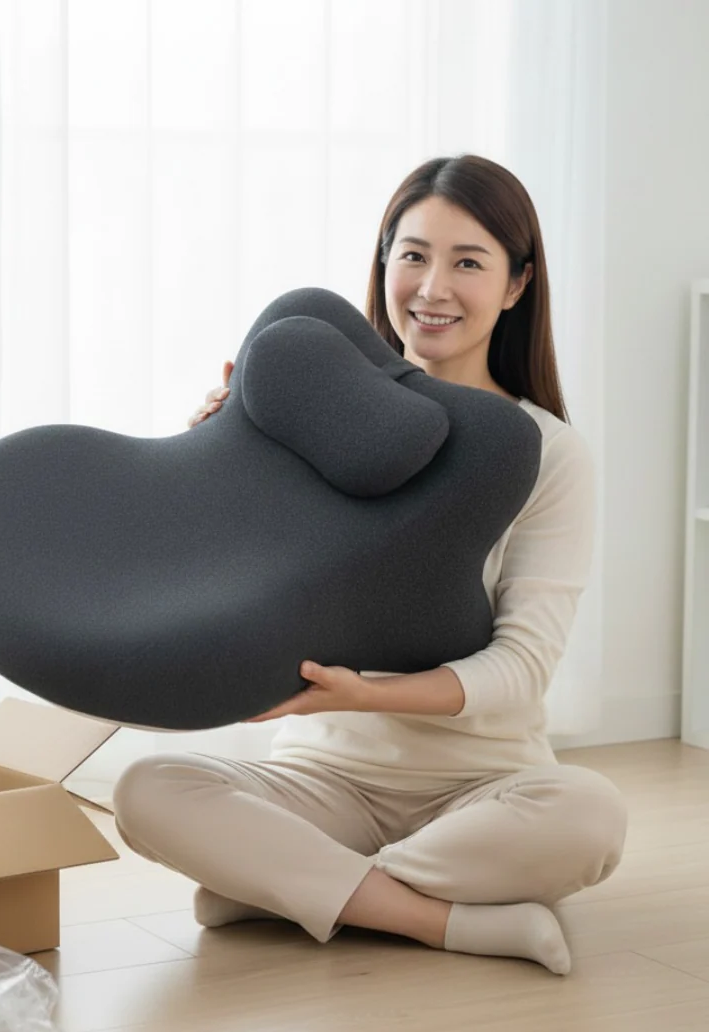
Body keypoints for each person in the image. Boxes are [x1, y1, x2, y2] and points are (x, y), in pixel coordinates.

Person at [112, 154, 628, 976]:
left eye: (469, 263)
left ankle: (289, 890)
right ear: (383, 262)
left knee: (591, 816)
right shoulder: (314, 419)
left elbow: (522, 668)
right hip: (324, 779)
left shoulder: (549, 453)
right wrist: (218, 453)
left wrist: (367, 693)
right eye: (413, 255)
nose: (432, 288)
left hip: (483, 784)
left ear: (517, 284)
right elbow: (227, 583)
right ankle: (435, 918)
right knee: (145, 789)